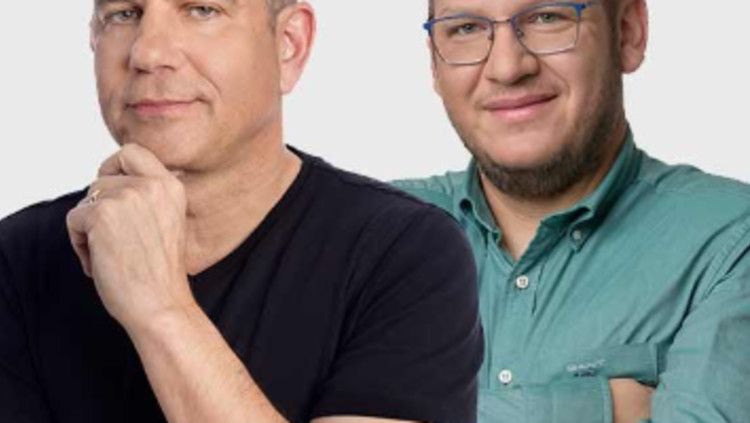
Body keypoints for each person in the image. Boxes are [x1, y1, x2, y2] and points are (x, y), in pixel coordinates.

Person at [0, 1, 484, 422]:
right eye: (124, 13)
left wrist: (162, 311)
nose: (147, 53)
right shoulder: (17, 260)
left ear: (288, 44)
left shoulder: (404, 255)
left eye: (202, 9)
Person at [394, 0, 750, 422]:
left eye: (547, 17)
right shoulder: (367, 235)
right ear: (434, 64)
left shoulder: (731, 242)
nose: (507, 67)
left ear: (628, 32)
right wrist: (592, 408)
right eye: (466, 28)